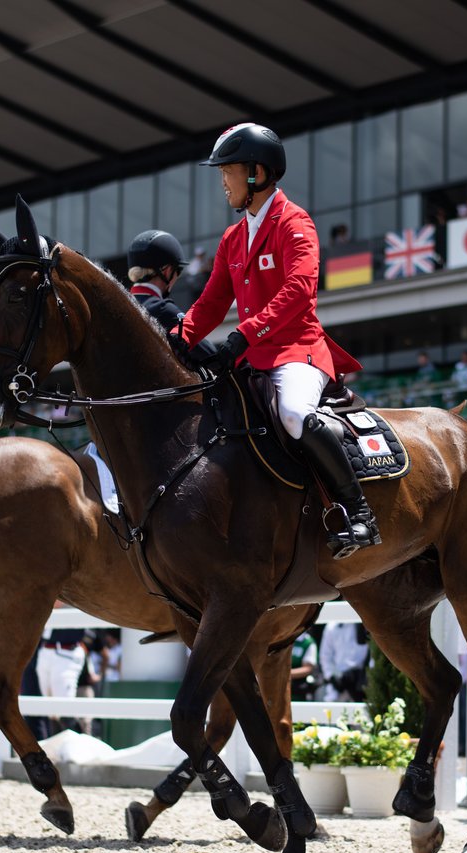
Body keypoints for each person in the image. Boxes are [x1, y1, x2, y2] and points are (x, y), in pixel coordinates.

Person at [173, 123, 376, 558]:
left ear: (255, 173)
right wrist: (179, 336)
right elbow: (210, 303)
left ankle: (358, 513)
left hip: (295, 350)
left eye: (227, 171)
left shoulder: (294, 222)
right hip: (253, 356)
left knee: (293, 414)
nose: (221, 181)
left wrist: (243, 334)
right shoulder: (233, 238)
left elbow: (300, 291)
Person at [126, 229, 187, 330]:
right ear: (167, 271)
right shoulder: (164, 311)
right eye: (178, 271)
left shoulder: (117, 307)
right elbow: (204, 346)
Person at [319, 620, 369, 702]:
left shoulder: (365, 625)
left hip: (361, 681)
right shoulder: (331, 627)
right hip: (339, 682)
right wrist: (332, 677)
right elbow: (325, 657)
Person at [290, 626, 320, 703]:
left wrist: (285, 674)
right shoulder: (282, 639)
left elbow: (308, 668)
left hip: (297, 688)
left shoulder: (307, 642)